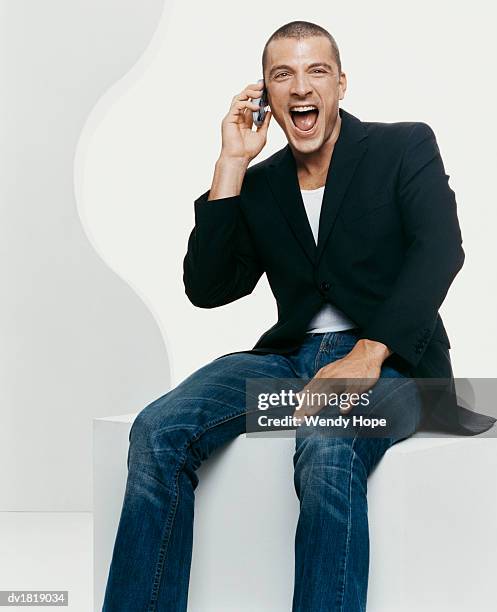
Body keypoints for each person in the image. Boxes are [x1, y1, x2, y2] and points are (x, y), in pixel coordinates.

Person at [102, 20, 496, 612]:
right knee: (158, 431)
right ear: (265, 94)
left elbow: (442, 249)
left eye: (316, 70)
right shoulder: (261, 186)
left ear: (341, 83)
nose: (300, 85)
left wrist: (369, 352)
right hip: (290, 366)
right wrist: (230, 166)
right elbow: (209, 288)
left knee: (329, 439)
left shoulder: (402, 146)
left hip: (396, 369)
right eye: (281, 74)